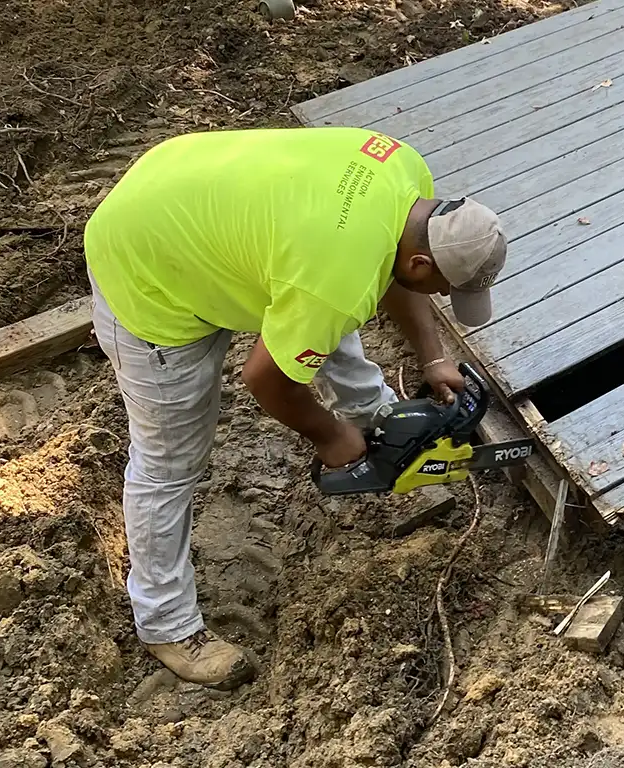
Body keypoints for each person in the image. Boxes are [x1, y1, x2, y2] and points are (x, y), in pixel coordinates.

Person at [82, 126, 506, 690]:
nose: (439, 294)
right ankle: (166, 622)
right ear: (426, 259)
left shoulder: (407, 176)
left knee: (326, 304)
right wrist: (331, 439)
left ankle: (373, 416)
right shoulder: (334, 275)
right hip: (147, 262)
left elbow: (388, 274)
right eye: (444, 287)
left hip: (192, 188)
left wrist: (433, 359)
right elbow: (266, 381)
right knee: (169, 460)